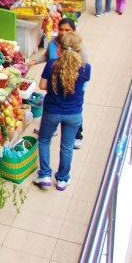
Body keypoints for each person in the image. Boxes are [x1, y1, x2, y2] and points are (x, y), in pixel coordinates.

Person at [34, 33, 91, 191]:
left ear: (60, 48)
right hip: (74, 114)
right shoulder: (86, 68)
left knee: (44, 141)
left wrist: (55, 85)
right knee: (67, 146)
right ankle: (62, 179)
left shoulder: (52, 64)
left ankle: (45, 175)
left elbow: (42, 86)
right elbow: (82, 85)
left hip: (52, 111)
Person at [28, 18, 88, 148]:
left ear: (74, 31)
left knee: (73, 111)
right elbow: (46, 56)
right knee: (53, 109)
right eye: (61, 29)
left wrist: (79, 88)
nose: (63, 32)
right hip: (55, 85)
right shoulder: (53, 43)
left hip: (72, 87)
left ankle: (77, 136)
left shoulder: (78, 47)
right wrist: (33, 62)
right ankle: (51, 129)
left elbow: (84, 66)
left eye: (67, 30)